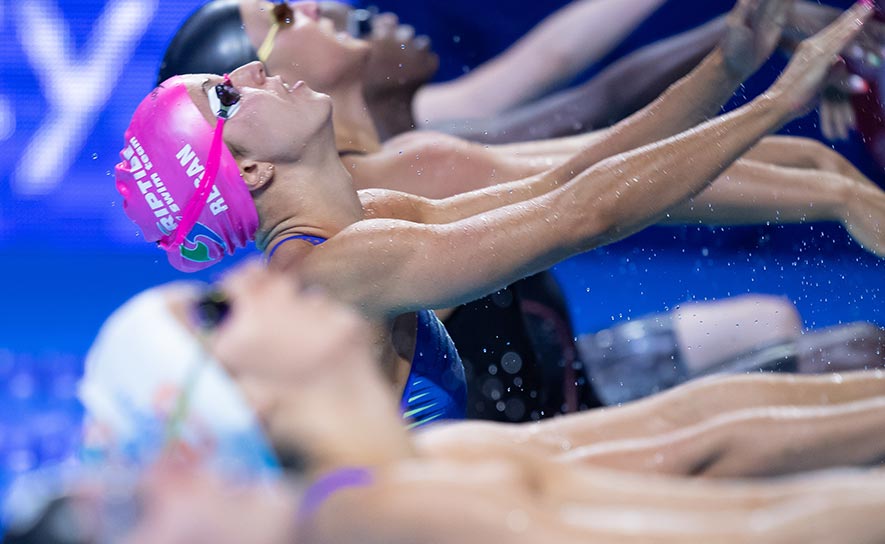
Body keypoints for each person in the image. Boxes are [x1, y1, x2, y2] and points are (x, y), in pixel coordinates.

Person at [117, 0, 876, 424]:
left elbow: (577, 176)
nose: (252, 72)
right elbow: (585, 210)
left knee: (796, 387)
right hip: (527, 454)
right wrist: (780, 110)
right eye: (227, 93)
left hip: (536, 428)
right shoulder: (338, 267)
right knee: (792, 413)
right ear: (244, 168)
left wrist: (732, 68)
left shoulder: (368, 215)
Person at [53, 260, 885, 544]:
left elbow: (693, 438)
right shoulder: (370, 515)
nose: (244, 277)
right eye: (212, 313)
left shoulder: (402, 477)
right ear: (237, 403)